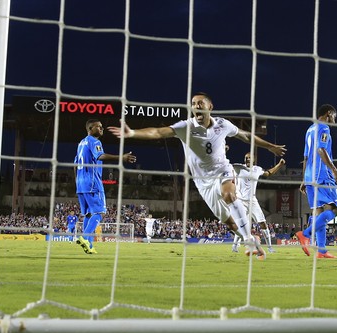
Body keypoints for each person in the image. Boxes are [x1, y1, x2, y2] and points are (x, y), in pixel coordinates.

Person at [108, 92, 286, 260]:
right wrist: (132, 133)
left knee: (229, 194)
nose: (196, 106)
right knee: (229, 223)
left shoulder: (223, 124)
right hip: (202, 183)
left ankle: (248, 240)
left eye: (200, 103)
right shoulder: (186, 127)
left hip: (222, 171)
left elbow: (245, 136)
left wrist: (269, 146)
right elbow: (157, 132)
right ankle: (250, 239)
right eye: (193, 104)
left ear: (210, 107)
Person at [74, 119, 137, 254]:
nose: (102, 129)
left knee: (88, 213)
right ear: (90, 128)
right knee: (100, 212)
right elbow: (100, 156)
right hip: (92, 182)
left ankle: (89, 245)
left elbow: (75, 164)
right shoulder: (94, 141)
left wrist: (78, 181)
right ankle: (85, 237)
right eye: (99, 127)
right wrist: (122, 157)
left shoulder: (81, 143)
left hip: (80, 183)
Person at [295, 104, 337, 259]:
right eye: (334, 116)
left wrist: (304, 179)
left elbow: (305, 157)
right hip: (322, 175)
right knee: (334, 210)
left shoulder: (309, 130)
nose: (335, 119)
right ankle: (305, 234)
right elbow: (320, 150)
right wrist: (334, 170)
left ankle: (321, 251)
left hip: (310, 176)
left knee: (319, 212)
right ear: (329, 113)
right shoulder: (324, 128)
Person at [231, 152, 286, 254]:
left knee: (263, 223)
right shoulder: (239, 168)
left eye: (249, 158)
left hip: (253, 201)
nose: (247, 159)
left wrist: (279, 165)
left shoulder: (257, 169)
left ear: (253, 160)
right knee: (241, 225)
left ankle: (270, 247)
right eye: (246, 158)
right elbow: (227, 165)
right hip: (241, 201)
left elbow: (268, 173)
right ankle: (235, 246)